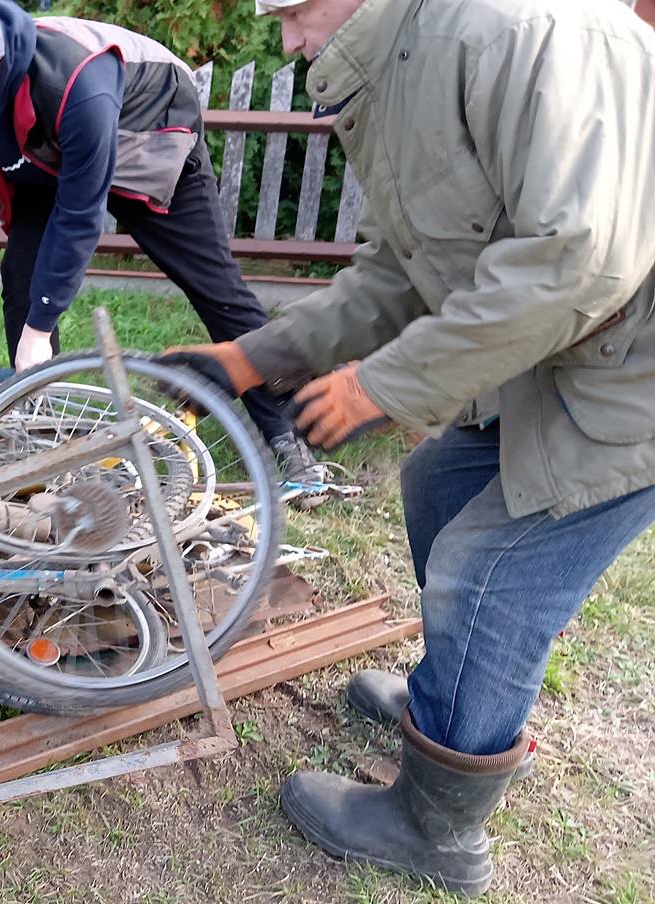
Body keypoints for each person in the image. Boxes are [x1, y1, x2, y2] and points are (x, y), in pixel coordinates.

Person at [161, 0, 655, 895]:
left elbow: (579, 259)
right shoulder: (414, 57)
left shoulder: (510, 33)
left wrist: (378, 387)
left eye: (295, 12)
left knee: (487, 574)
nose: (287, 40)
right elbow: (399, 269)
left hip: (633, 376)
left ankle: (437, 831)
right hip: (559, 349)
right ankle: (456, 702)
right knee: (438, 486)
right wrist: (252, 357)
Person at [0, 0, 328, 490]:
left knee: (215, 288)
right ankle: (42, 434)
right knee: (22, 275)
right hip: (50, 154)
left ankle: (289, 431)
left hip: (149, 128)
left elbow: (80, 212)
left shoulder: (73, 79)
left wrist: (39, 329)